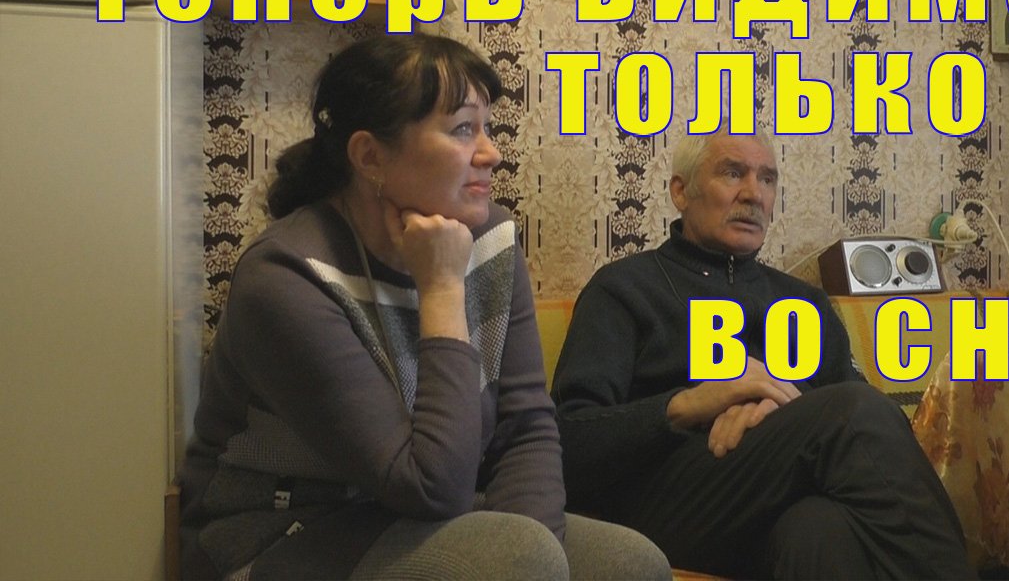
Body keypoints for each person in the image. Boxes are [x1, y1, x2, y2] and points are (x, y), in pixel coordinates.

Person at [177, 34, 669, 580]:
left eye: (486, 127)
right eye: (462, 129)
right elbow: (431, 487)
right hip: (278, 533)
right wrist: (441, 290)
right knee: (515, 557)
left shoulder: (492, 239)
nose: (491, 152)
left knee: (631, 564)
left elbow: (525, 427)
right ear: (369, 156)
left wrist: (538, 552)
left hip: (413, 517)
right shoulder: (287, 276)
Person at [551, 129, 973, 579]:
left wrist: (786, 416)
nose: (754, 194)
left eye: (767, 179)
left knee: (818, 529)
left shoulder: (804, 302)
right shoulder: (624, 288)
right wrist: (692, 403)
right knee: (852, 414)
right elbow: (567, 443)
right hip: (669, 505)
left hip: (773, 511)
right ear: (681, 192)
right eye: (733, 173)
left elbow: (872, 440)